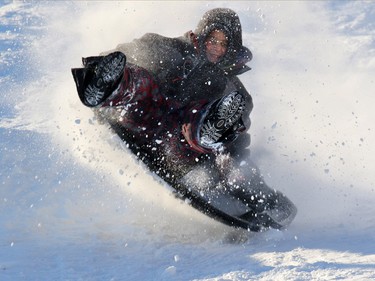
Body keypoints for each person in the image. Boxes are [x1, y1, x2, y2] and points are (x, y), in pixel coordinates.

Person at [71, 8, 297, 230]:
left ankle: (208, 132)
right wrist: (101, 64)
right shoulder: (172, 49)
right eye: (212, 39)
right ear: (201, 36)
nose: (216, 48)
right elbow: (135, 50)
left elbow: (237, 143)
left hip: (180, 148)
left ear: (230, 49)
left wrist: (261, 196)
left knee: (202, 120)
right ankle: (107, 86)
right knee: (142, 81)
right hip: (145, 120)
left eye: (223, 43)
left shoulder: (232, 91)